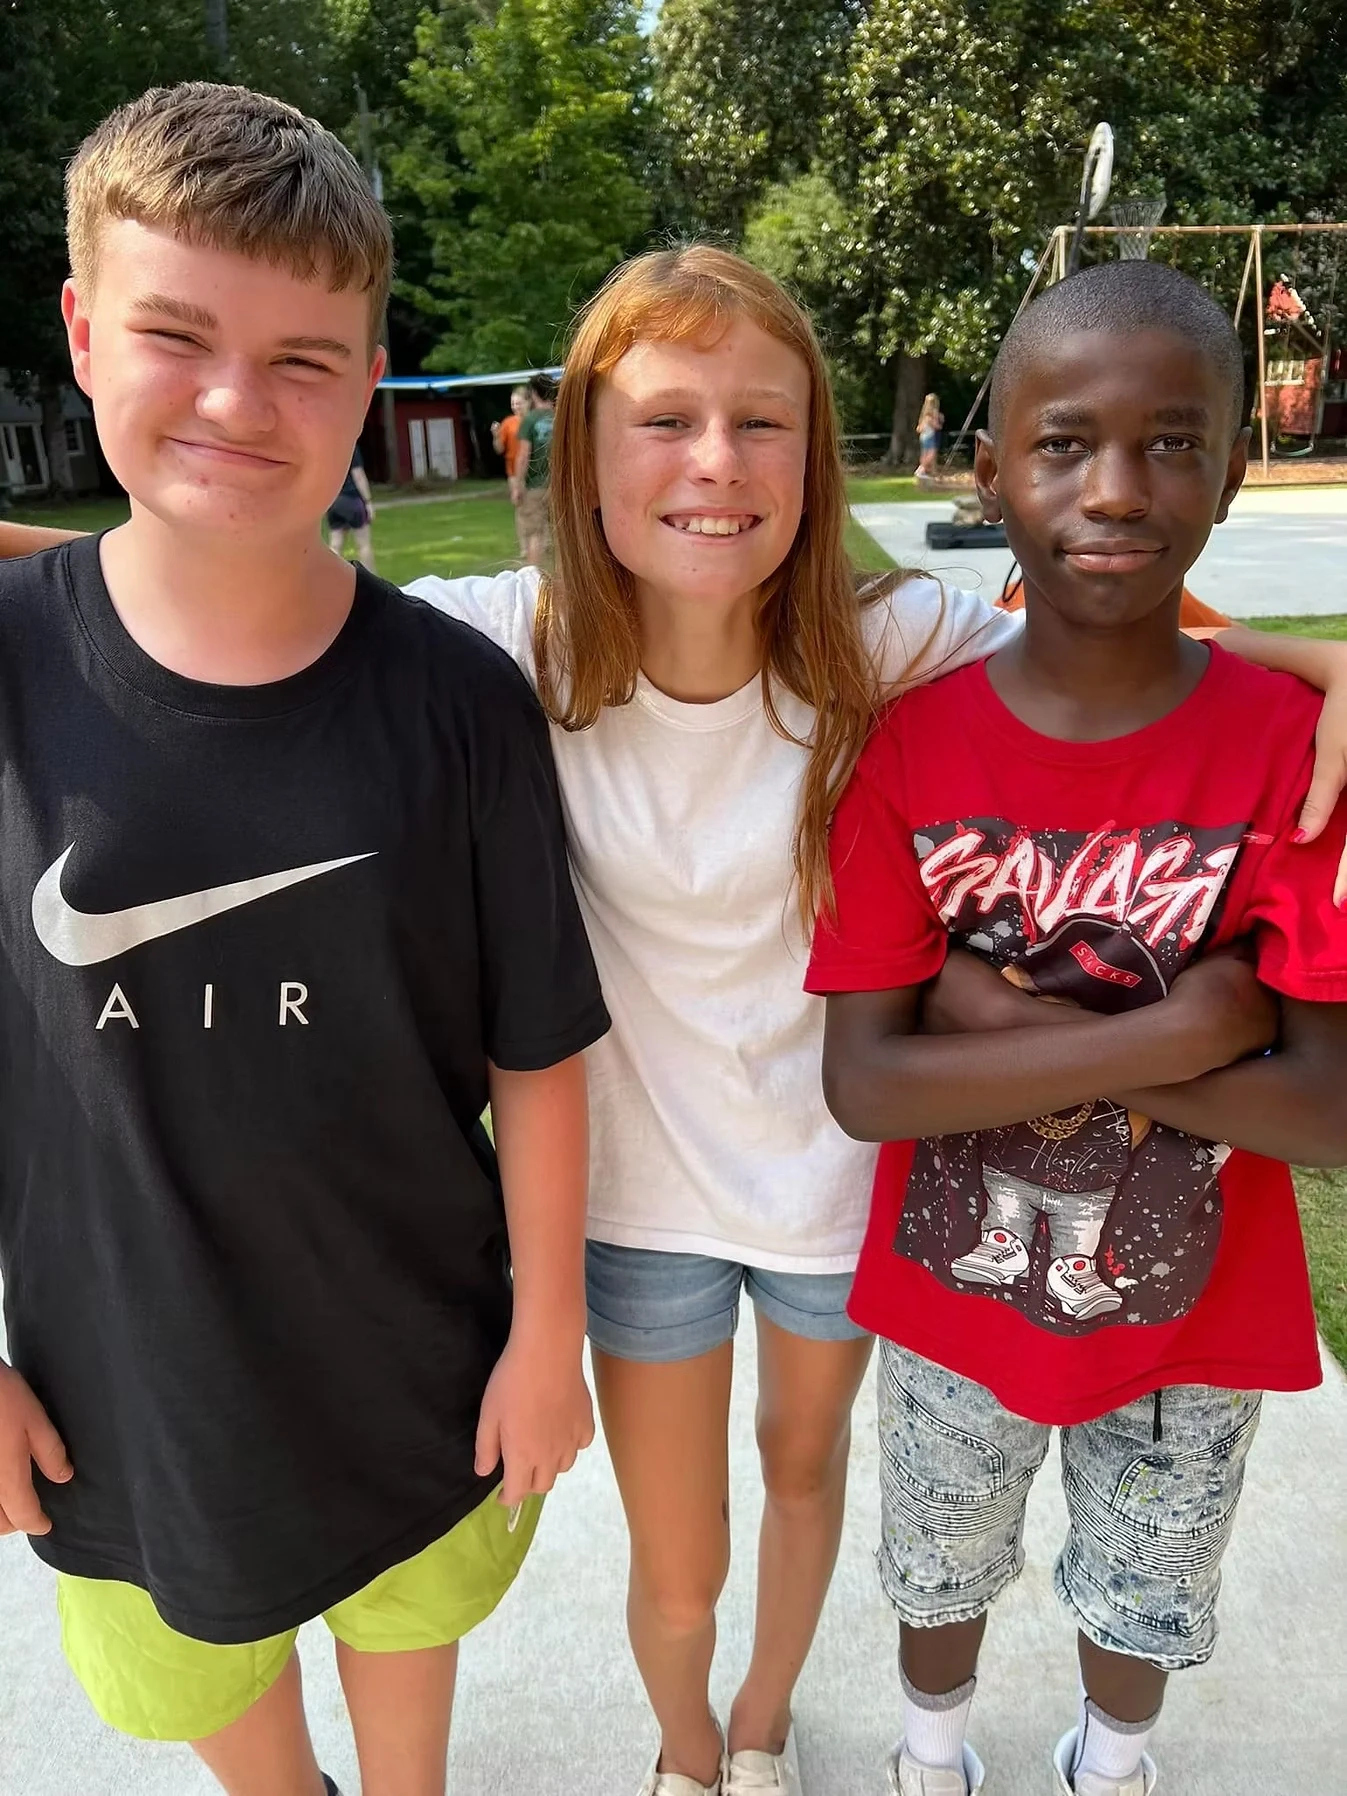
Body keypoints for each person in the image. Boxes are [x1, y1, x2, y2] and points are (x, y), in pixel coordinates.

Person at [5, 246, 1347, 1796]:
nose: (713, 464)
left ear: (811, 450)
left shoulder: (890, 643)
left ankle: (764, 1724)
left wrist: (1310, 665)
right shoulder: (507, 641)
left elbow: (1117, 643)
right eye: (663, 419)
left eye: (759, 422)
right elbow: (210, 561)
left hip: (833, 1182)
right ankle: (688, 1748)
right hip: (638, 1197)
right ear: (584, 447)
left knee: (798, 1478)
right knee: (675, 1550)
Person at [0, 81, 609, 1796]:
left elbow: (536, 1049)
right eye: (175, 335)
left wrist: (543, 1329)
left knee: (407, 1655)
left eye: (303, 359)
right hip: (121, 1385)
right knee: (219, 1709)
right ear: (80, 326)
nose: (232, 402)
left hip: (417, 1358)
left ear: (365, 370)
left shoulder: (457, 703)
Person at [807, 259, 1347, 1796]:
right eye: (1061, 442)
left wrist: (989, 1020)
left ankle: (1106, 1768)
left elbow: (1324, 1110)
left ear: (1230, 472)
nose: (1113, 485)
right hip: (952, 1286)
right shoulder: (905, 753)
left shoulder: (1289, 757)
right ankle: (929, 1758)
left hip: (1195, 1307)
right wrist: (1184, 1032)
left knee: (1147, 1585)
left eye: (1170, 440)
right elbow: (866, 1082)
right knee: (936, 1561)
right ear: (988, 471)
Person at [513, 372, 555, 564]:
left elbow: (523, 456)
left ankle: (533, 583)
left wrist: (518, 484)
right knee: (563, 536)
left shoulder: (529, 421)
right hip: (562, 486)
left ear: (533, 394)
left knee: (535, 535)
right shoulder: (563, 416)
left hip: (536, 486)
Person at [491, 384, 530, 555]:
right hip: (514, 471)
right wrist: (496, 435)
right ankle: (524, 546)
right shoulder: (508, 423)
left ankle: (540, 542)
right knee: (520, 507)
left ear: (527, 402)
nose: (515, 407)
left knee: (540, 507)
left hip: (535, 470)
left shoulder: (535, 420)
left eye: (518, 403)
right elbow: (499, 449)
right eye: (513, 403)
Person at [326, 444, 376, 569]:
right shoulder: (350, 445)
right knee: (363, 543)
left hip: (333, 500)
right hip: (352, 498)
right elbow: (358, 475)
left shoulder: (326, 447)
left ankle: (331, 578)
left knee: (335, 544)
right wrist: (368, 501)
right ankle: (370, 581)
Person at [916, 392, 944, 481]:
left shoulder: (924, 413)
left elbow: (919, 428)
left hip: (923, 436)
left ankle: (923, 471)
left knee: (924, 454)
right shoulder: (934, 412)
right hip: (929, 436)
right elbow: (936, 426)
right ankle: (921, 469)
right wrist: (940, 424)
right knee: (931, 454)